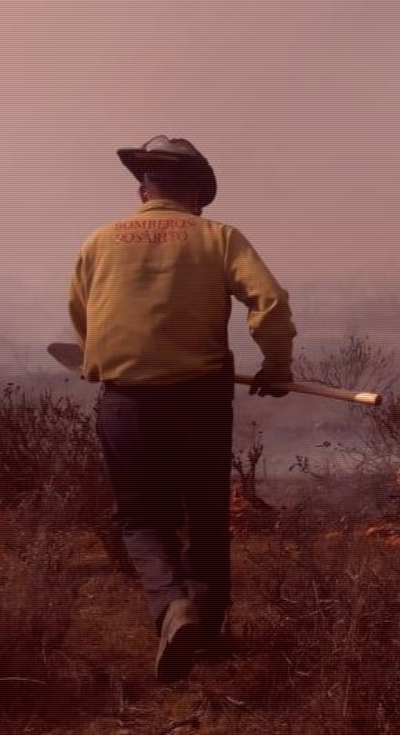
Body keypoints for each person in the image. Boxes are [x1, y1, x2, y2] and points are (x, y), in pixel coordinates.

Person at [68, 135, 298, 682]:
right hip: (199, 398)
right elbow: (270, 302)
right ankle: (207, 632)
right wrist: (277, 367)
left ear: (144, 188)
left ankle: (173, 608)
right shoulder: (218, 239)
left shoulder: (100, 242)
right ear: (197, 193)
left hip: (126, 401)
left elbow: (82, 316)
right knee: (206, 517)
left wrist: (99, 360)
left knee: (143, 518)